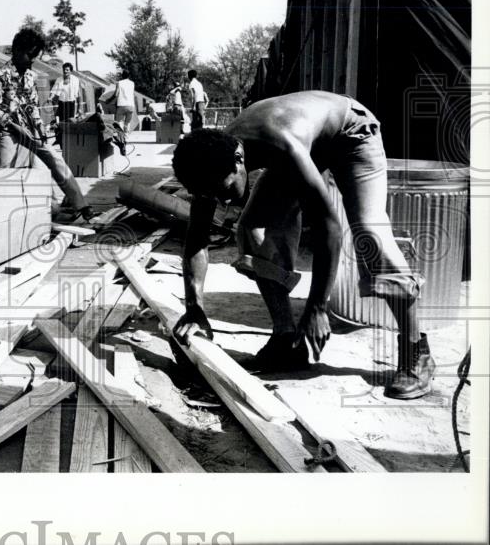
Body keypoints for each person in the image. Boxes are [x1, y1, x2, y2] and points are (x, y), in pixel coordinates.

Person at [170, 91, 434, 399]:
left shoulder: (280, 145)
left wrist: (317, 308)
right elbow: (196, 239)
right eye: (211, 195)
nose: (222, 200)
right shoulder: (208, 162)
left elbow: (329, 228)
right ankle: (286, 341)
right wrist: (194, 308)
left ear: (239, 160)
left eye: (225, 189)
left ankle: (418, 352)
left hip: (351, 134)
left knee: (368, 232)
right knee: (250, 226)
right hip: (305, 142)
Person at [0, 28, 95, 222]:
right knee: (7, 173)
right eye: (30, 55)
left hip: (30, 131)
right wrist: (12, 126)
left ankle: (81, 205)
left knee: (55, 159)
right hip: (9, 132)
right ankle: (6, 219)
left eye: (35, 56)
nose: (32, 60)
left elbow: (32, 105)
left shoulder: (30, 76)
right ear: (17, 50)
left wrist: (39, 128)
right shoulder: (0, 75)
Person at [102, 70, 136, 134]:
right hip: (131, 106)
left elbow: (116, 94)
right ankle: (126, 137)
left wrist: (108, 101)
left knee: (119, 124)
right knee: (127, 124)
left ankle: (121, 138)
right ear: (129, 76)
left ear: (122, 75)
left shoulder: (119, 83)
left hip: (122, 106)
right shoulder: (132, 83)